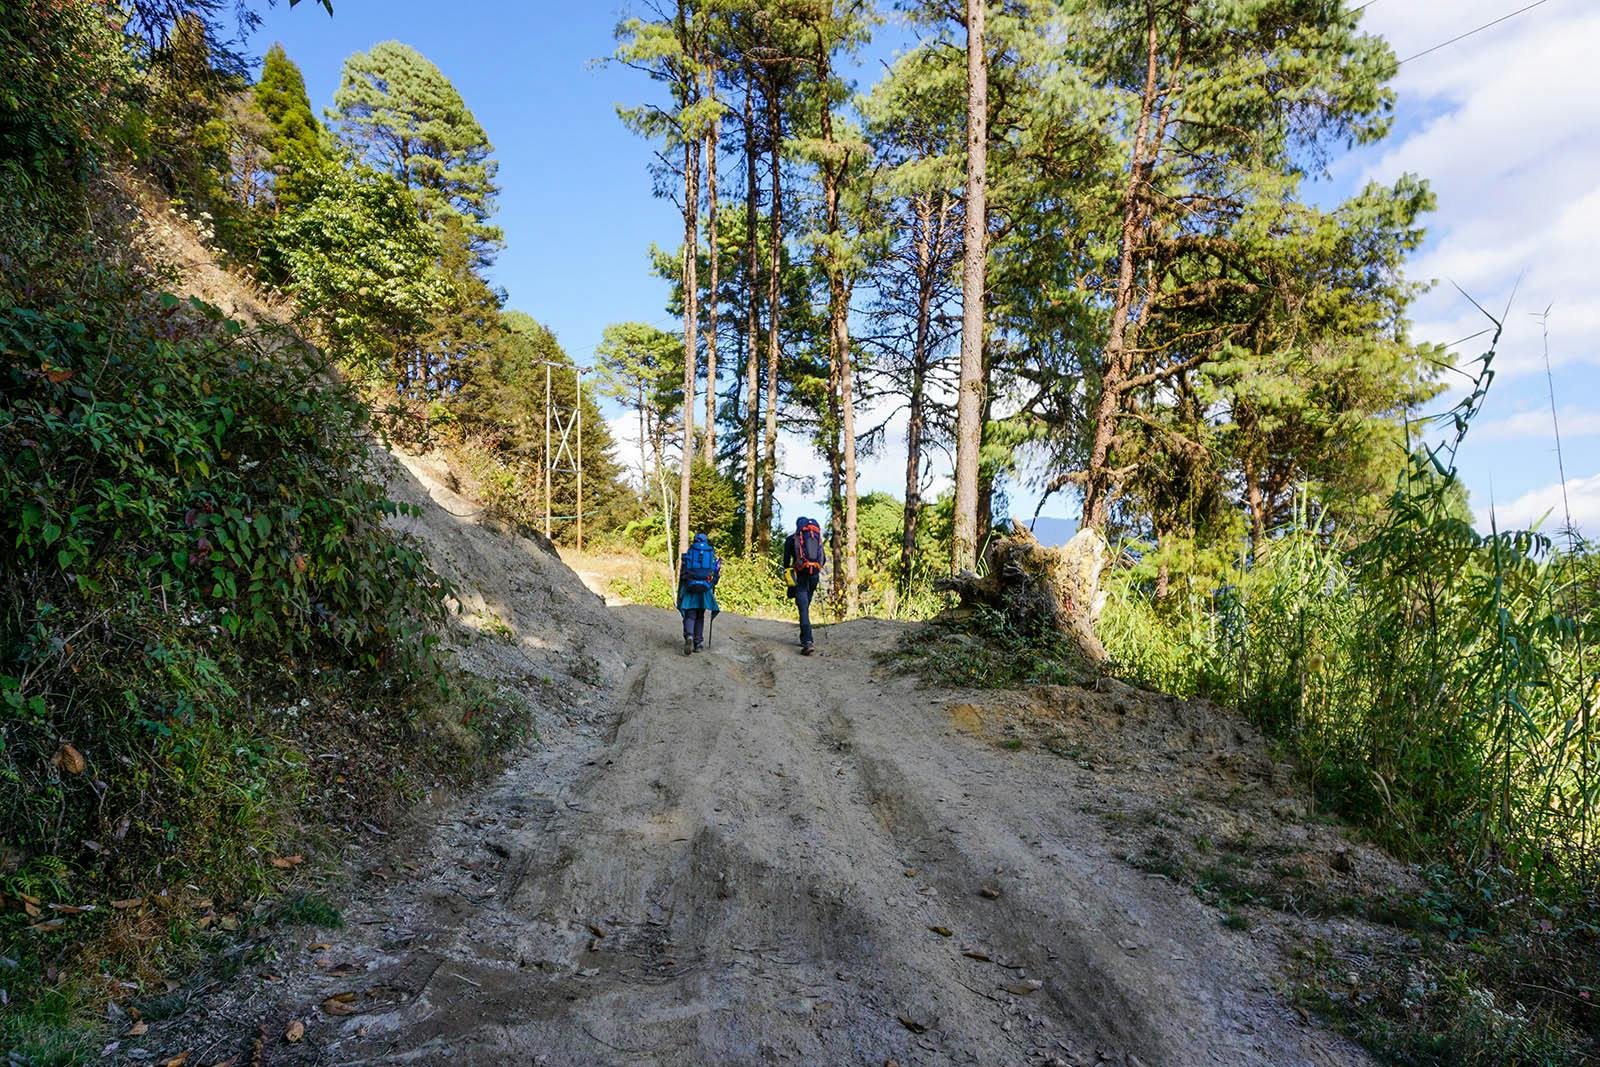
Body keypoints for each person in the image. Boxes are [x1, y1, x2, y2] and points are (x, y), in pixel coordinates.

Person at [782, 516, 826, 655]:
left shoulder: (791, 539)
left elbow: (786, 563)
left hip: (800, 576)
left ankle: (807, 641)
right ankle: (804, 637)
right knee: (805, 606)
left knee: (803, 608)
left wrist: (790, 580)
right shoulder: (816, 538)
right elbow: (823, 559)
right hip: (814, 576)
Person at [677, 532, 721, 655]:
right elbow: (715, 573)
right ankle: (698, 644)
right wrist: (712, 583)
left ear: (694, 540)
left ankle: (689, 636)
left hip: (690, 589)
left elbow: (683, 575)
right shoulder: (709, 553)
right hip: (704, 590)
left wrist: (681, 592)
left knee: (690, 615)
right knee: (700, 616)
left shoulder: (690, 553)